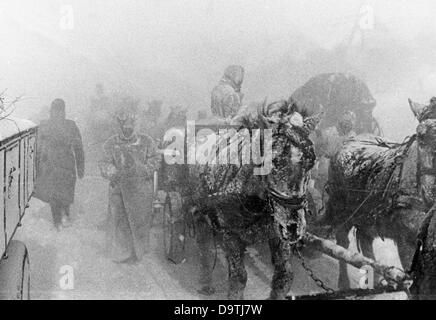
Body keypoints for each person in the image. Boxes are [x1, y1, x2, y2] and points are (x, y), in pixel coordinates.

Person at [99, 102, 160, 264]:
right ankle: (122, 252)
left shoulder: (146, 141)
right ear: (119, 126)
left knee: (140, 221)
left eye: (130, 126)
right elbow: (104, 163)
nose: (128, 129)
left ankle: (138, 252)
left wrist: (144, 170)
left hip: (141, 191)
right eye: (124, 126)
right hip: (119, 190)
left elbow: (155, 159)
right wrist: (113, 173)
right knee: (120, 220)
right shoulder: (111, 144)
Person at [34, 99, 85, 231]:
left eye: (60, 110)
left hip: (67, 166)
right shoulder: (44, 126)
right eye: (55, 110)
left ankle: (65, 220)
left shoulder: (70, 126)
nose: (58, 113)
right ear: (51, 111)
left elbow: (78, 147)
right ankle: (57, 224)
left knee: (66, 196)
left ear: (64, 111)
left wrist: (80, 167)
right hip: (50, 167)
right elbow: (37, 148)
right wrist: (36, 167)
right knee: (54, 197)